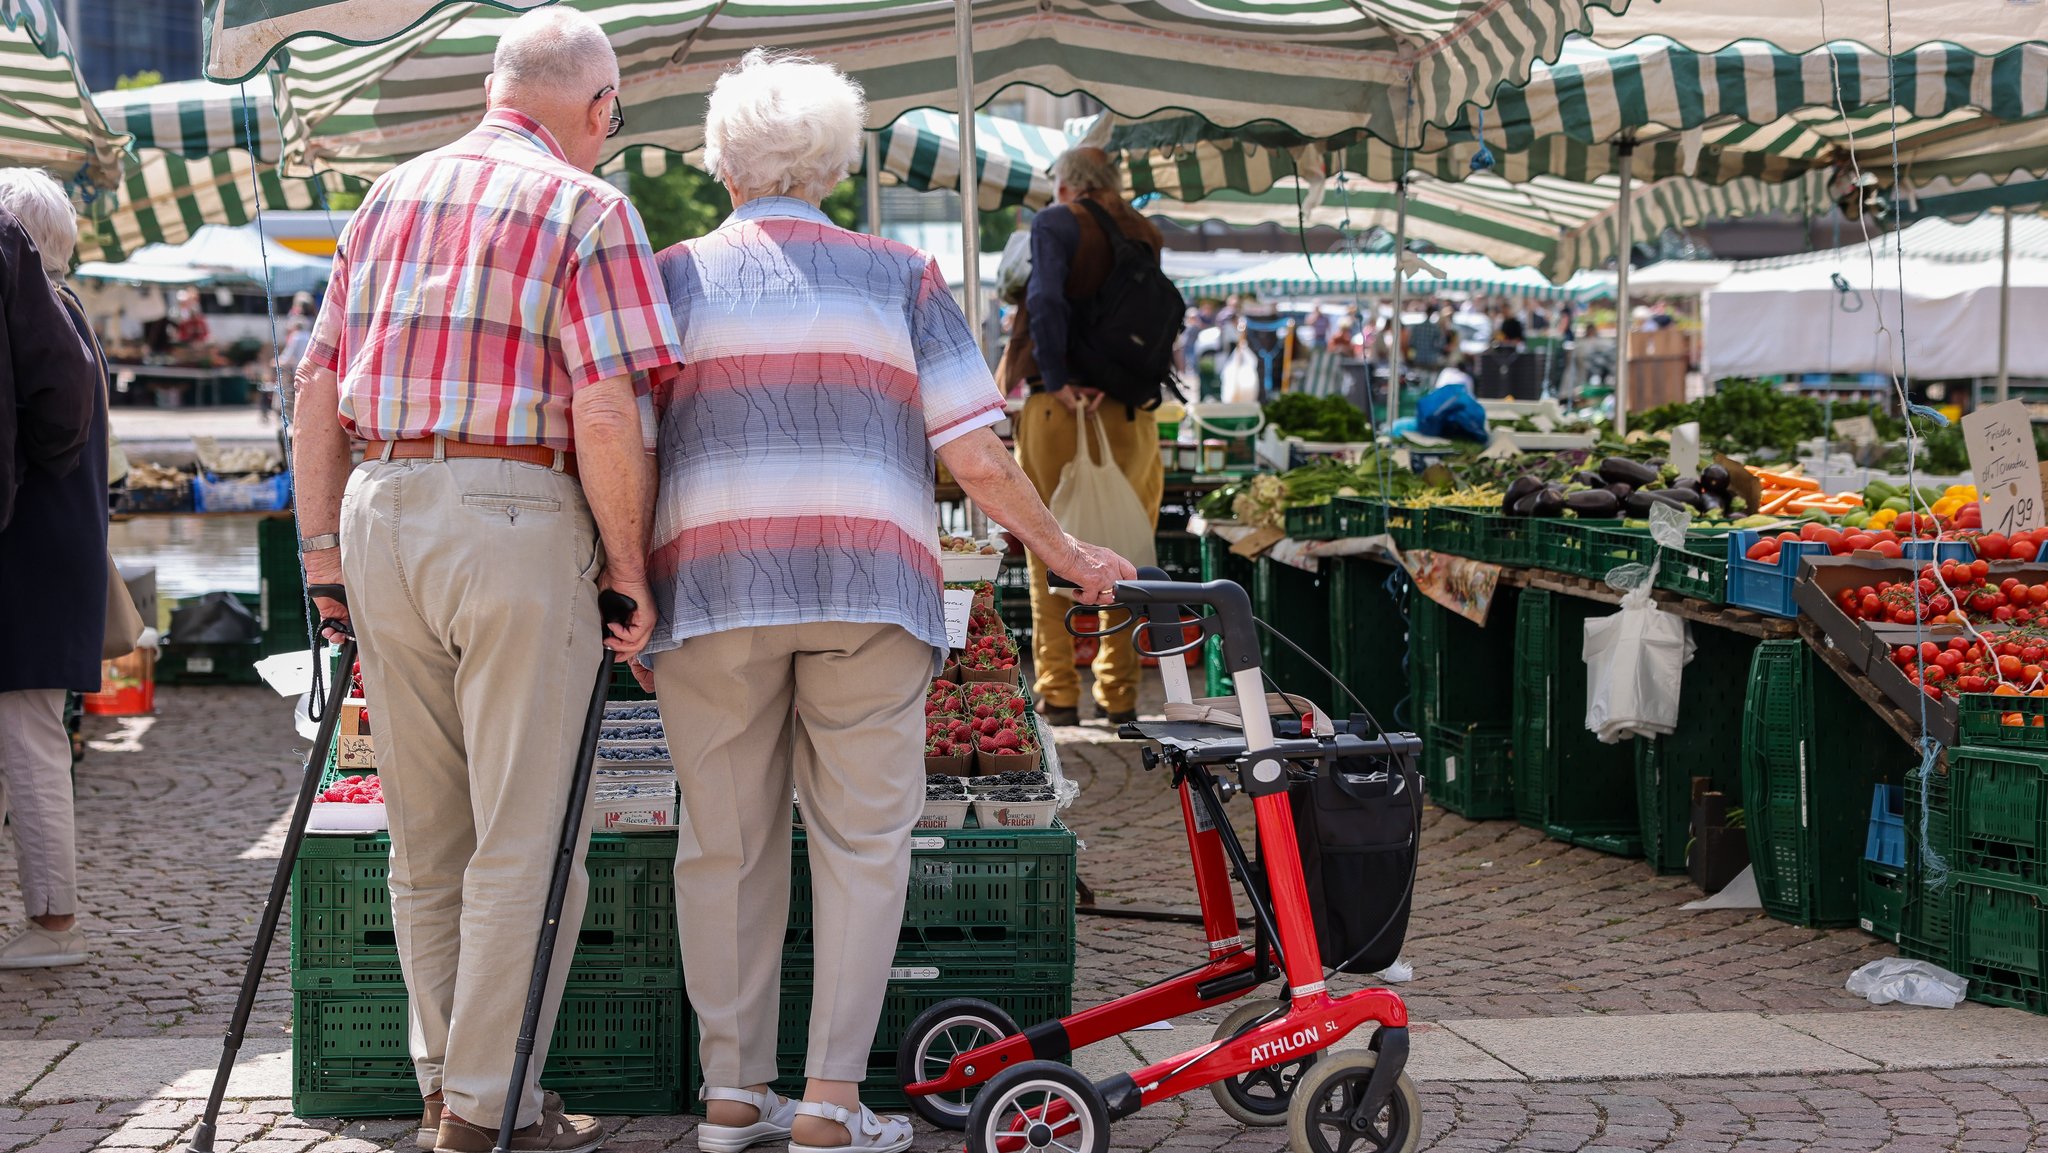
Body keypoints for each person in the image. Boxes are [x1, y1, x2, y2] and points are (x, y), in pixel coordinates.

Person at [644, 50, 1135, 1153]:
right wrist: (1059, 548)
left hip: (711, 585)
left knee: (722, 844)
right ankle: (827, 1101)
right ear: (830, 162)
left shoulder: (668, 277)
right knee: (865, 844)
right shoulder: (899, 277)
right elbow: (976, 452)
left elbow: (625, 445)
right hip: (870, 586)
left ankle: (731, 1096)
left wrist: (627, 582)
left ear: (721, 161)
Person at [289, 10, 682, 1152]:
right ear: (596, 104)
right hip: (512, 510)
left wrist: (320, 556)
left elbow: (318, 388)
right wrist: (626, 568)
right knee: (524, 833)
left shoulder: (388, 194)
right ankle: (481, 1102)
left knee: (428, 834)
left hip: (381, 506)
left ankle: (445, 1078)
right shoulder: (588, 205)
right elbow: (606, 407)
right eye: (614, 109)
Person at [995, 145, 1167, 726]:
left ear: (1065, 185)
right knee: (1125, 556)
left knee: (1048, 550)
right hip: (1127, 414)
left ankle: (1058, 692)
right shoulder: (1144, 230)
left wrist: (1063, 379)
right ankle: (1118, 697)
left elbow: (1043, 301)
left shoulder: (1054, 222)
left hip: (1056, 410)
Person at [0, 168, 112, 969]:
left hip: (33, 555)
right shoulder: (63, 312)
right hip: (50, 550)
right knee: (28, 730)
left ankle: (54, 923)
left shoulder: (48, 316)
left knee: (29, 732)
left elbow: (55, 432)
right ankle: (49, 918)